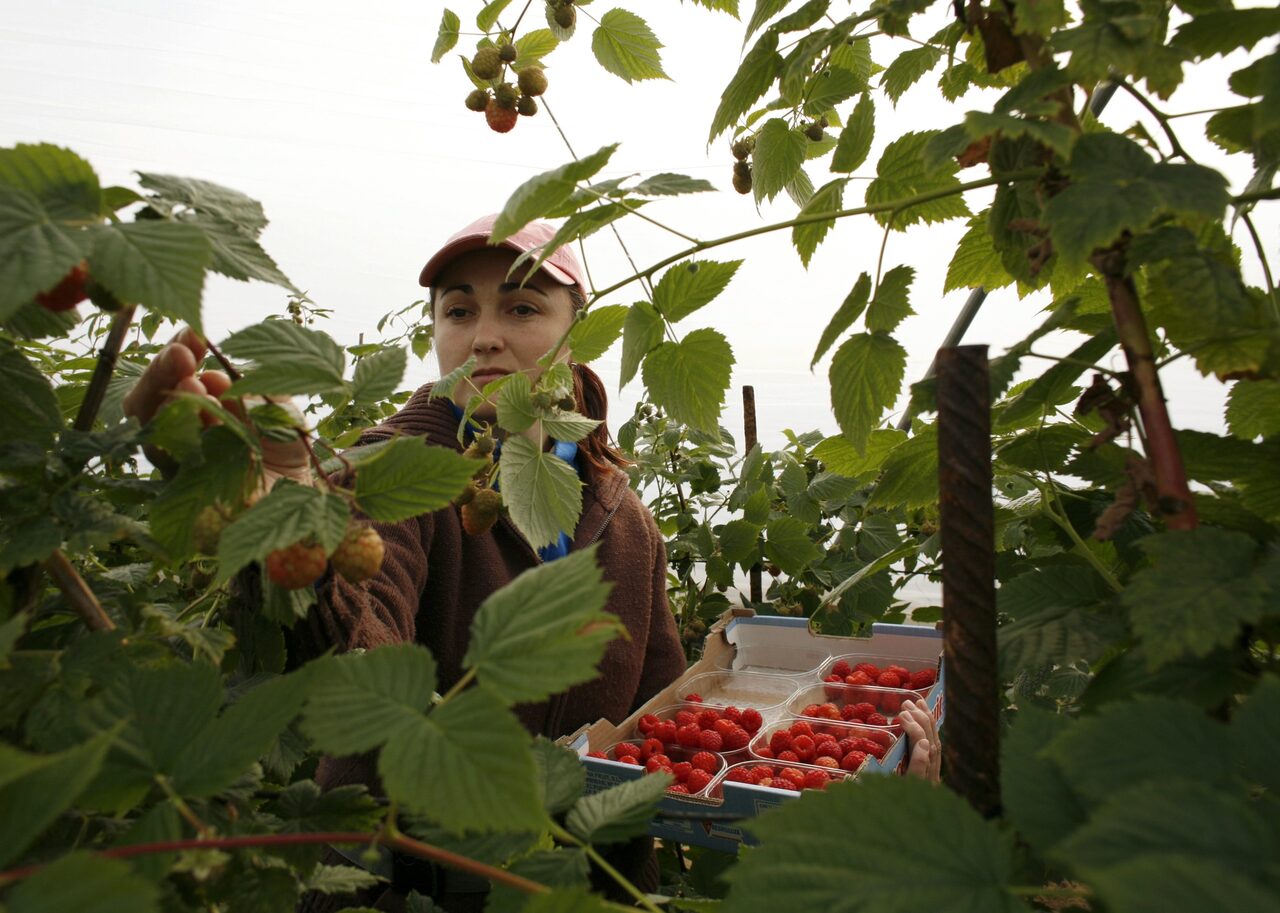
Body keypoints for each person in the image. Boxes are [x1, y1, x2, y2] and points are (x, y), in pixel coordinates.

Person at [123, 214, 942, 911]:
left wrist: (846, 779)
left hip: (584, 880)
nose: (483, 335)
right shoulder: (393, 474)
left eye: (521, 306)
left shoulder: (624, 520)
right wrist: (286, 535)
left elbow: (660, 722)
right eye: (457, 310)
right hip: (412, 881)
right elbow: (352, 665)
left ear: (573, 329)